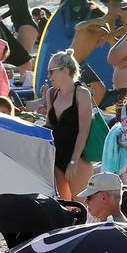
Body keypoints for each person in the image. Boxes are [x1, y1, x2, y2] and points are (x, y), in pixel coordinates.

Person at [43, 49, 94, 200]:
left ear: (65, 71)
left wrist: (73, 161)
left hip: (78, 158)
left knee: (80, 205)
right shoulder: (51, 94)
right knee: (64, 207)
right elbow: (48, 124)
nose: (49, 76)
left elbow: (84, 130)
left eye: (51, 71)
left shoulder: (82, 94)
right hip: (56, 159)